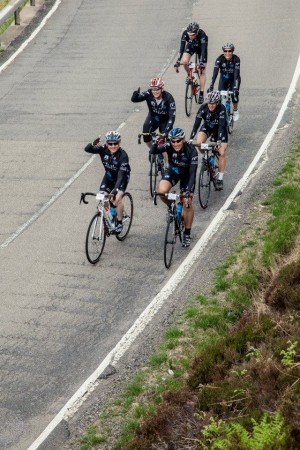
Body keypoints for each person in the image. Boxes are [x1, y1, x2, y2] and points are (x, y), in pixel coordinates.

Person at [150, 128, 198, 248]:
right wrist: (156, 142)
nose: (175, 144)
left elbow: (192, 174)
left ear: (183, 139)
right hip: (174, 172)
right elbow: (153, 151)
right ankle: (171, 207)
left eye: (178, 141)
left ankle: (187, 233)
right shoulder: (169, 145)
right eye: (173, 141)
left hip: (187, 176)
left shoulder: (191, 151)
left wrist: (188, 191)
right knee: (162, 191)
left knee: (187, 202)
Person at [84, 131, 131, 234]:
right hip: (109, 176)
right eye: (110, 144)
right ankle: (109, 215)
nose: (113, 146)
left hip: (121, 178)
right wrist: (94, 143)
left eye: (115, 143)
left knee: (116, 199)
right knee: (101, 198)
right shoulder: (103, 149)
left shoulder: (123, 156)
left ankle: (119, 222)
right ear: (106, 144)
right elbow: (87, 149)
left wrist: (115, 191)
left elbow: (120, 176)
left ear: (119, 143)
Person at [190, 91, 228, 190]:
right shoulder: (203, 108)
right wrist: (191, 138)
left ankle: (220, 178)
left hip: (220, 130)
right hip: (208, 127)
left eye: (213, 103)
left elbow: (221, 126)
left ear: (217, 103)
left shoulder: (221, 109)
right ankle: (206, 158)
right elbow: (196, 124)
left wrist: (219, 141)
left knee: (222, 152)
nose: (211, 105)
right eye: (209, 103)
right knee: (199, 143)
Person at [131, 77, 176, 149]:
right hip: (153, 117)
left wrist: (167, 130)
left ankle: (165, 158)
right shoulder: (148, 93)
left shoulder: (169, 97)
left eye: (157, 89)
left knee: (164, 143)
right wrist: (134, 97)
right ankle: (152, 150)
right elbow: (137, 99)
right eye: (153, 89)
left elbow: (172, 116)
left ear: (162, 89)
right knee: (145, 133)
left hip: (165, 120)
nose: (155, 91)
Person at [174, 21, 208, 104]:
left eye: (193, 35)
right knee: (184, 62)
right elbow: (181, 48)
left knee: (202, 71)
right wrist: (178, 61)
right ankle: (190, 75)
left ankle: (201, 93)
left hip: (201, 49)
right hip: (191, 46)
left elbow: (203, 51)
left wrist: (201, 64)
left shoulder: (202, 35)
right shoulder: (185, 33)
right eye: (189, 34)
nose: (190, 36)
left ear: (197, 32)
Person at [208, 43, 241, 121]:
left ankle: (235, 110)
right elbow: (215, 74)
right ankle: (222, 113)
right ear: (223, 52)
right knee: (220, 97)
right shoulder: (219, 59)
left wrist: (235, 88)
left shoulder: (236, 59)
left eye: (229, 51)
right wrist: (211, 86)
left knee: (234, 96)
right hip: (224, 79)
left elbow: (236, 74)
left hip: (234, 79)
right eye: (225, 51)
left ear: (232, 52)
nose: (227, 53)